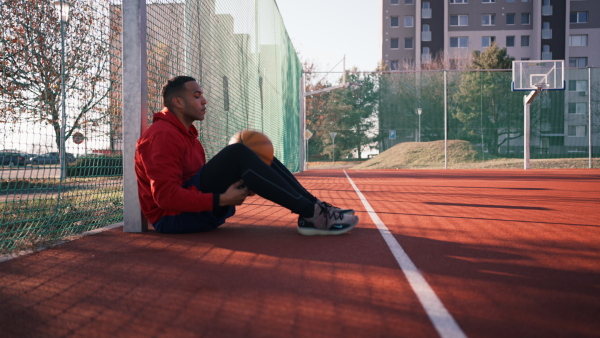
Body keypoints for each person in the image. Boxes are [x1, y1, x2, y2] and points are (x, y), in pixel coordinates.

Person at [135, 75, 359, 236]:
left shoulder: (187, 136)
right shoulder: (161, 136)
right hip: (172, 218)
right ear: (177, 102)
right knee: (238, 151)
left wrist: (249, 181)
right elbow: (164, 197)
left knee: (254, 151)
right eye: (197, 95)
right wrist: (221, 199)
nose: (204, 101)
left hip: (192, 211)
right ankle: (313, 213)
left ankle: (314, 208)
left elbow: (195, 180)